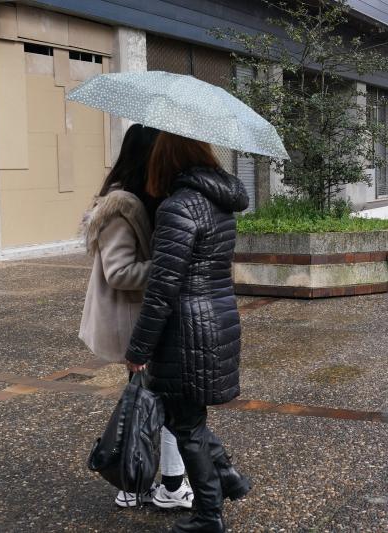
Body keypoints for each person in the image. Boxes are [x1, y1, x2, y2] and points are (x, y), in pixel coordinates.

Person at [125, 131, 252, 533]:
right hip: (218, 318)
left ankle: (209, 515)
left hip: (187, 328)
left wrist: (139, 347)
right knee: (188, 416)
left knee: (186, 427)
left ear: (167, 158)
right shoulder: (220, 202)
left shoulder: (178, 207)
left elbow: (163, 287)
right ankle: (227, 477)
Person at [79, 124, 194, 510]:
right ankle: (145, 484)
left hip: (144, 319)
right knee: (153, 406)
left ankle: (140, 483)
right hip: (133, 322)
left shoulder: (142, 201)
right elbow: (119, 272)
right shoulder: (119, 208)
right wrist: (168, 267)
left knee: (150, 405)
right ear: (147, 155)